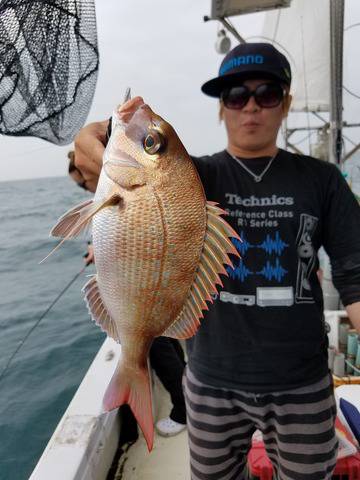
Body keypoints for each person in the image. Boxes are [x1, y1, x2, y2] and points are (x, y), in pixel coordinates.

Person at [73, 42, 360, 479]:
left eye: (266, 93)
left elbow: (355, 274)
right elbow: (89, 162)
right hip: (209, 381)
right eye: (235, 96)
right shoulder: (193, 176)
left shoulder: (323, 180)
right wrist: (88, 142)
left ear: (285, 104)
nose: (250, 107)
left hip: (303, 382)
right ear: (222, 108)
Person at [67, 150, 187, 437]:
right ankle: (187, 398)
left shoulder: (122, 187)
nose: (85, 186)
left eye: (82, 180)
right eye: (81, 185)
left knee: (161, 354)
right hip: (152, 289)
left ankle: (183, 411)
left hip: (143, 293)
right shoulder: (113, 196)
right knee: (168, 346)